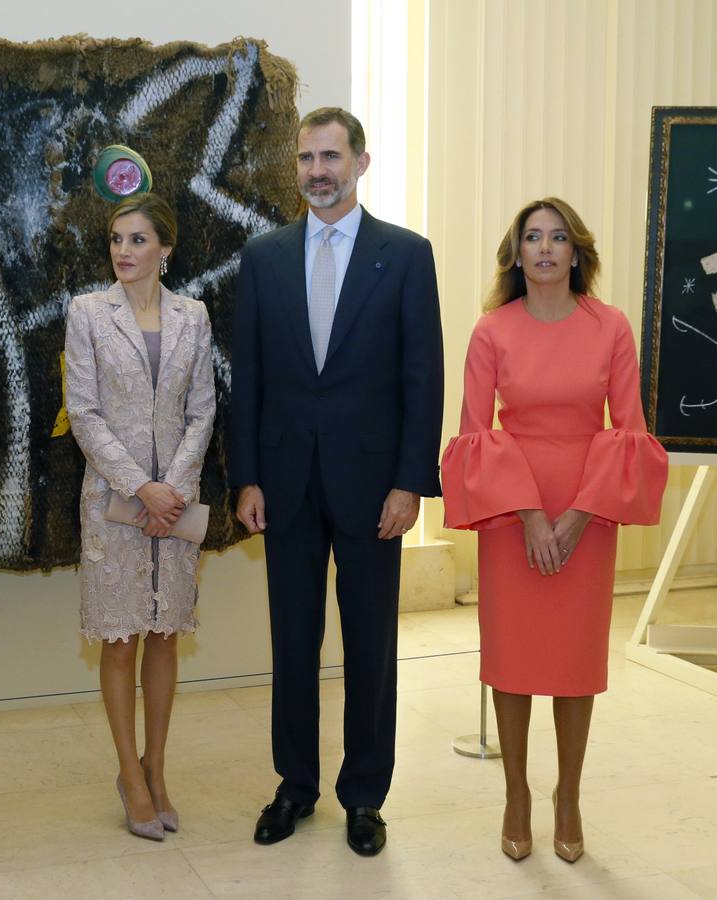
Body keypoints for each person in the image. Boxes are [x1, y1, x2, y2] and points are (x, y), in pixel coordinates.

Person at [227, 107, 444, 856]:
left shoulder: (407, 256)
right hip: (283, 484)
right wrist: (245, 476)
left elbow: (424, 377)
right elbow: (247, 379)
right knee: (292, 643)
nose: (318, 170)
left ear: (361, 162)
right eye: (306, 158)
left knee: (370, 647)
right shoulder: (263, 257)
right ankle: (295, 787)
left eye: (331, 156)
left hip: (371, 487)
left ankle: (364, 796)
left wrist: (412, 482)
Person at [441, 198, 668, 862]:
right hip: (511, 513)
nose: (544, 247)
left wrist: (576, 517)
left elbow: (629, 431)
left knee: (574, 663)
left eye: (558, 237)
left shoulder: (611, 327)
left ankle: (568, 796)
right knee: (511, 660)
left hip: (588, 514)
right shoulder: (492, 331)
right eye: (532, 237)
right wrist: (531, 515)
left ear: (577, 252)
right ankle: (516, 794)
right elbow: (475, 432)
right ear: (516, 255)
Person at [64, 192, 216, 841]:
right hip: (114, 503)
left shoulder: (194, 316)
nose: (123, 252)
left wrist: (171, 489)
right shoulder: (87, 313)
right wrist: (140, 488)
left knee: (163, 636)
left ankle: (158, 769)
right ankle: (130, 775)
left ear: (165, 249)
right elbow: (85, 414)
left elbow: (203, 409)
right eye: (116, 240)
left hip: (174, 509)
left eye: (136, 240)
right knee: (121, 639)